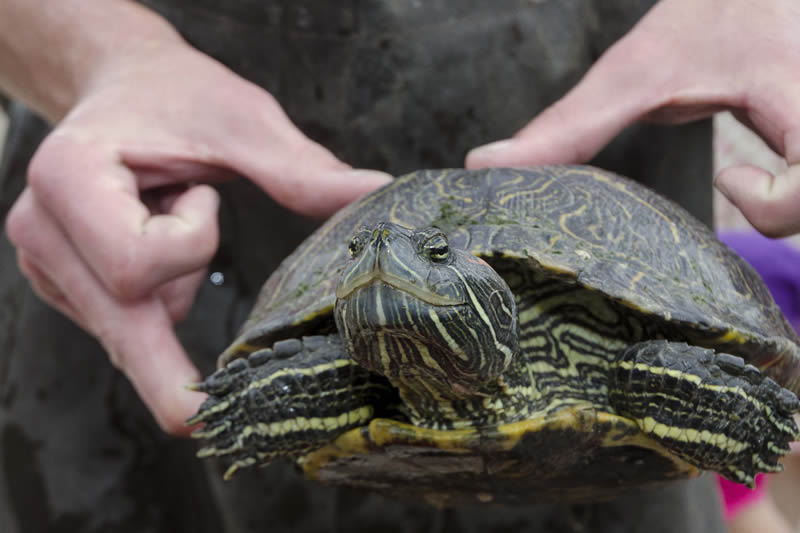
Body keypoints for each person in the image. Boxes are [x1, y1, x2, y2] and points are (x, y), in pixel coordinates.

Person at [0, 0, 797, 531]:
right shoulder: (349, 359)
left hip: (632, 126)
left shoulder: (626, 363)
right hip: (153, 226)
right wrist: (99, 55)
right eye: (369, 260)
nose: (385, 262)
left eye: (434, 260)